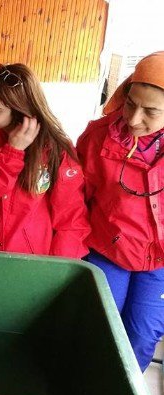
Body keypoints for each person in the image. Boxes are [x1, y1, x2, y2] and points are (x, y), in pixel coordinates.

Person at [77, 51, 164, 371]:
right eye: (130, 103)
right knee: (102, 329)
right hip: (107, 248)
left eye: (151, 111)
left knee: (141, 335)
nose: (134, 118)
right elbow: (76, 198)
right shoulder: (98, 136)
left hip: (159, 259)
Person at [0, 63, 90, 258]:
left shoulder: (56, 150)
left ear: (21, 112)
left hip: (31, 260)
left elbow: (70, 219)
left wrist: (57, 268)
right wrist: (12, 151)